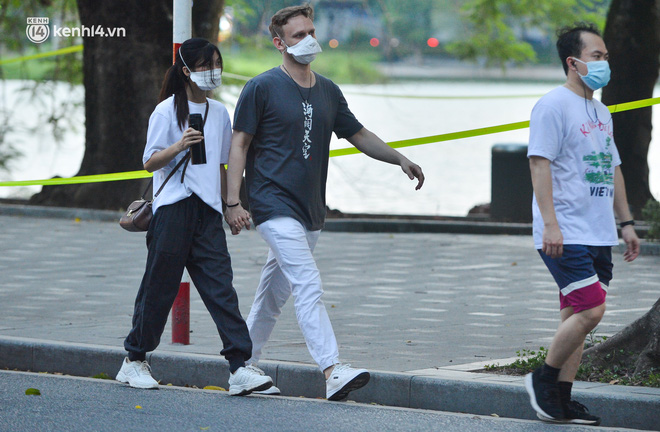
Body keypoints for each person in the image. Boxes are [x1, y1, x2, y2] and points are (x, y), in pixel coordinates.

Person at [224, 4, 425, 401]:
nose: (309, 40)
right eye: (298, 35)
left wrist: (399, 158)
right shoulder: (261, 87)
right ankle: (332, 370)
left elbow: (359, 134)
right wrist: (233, 202)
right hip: (271, 203)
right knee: (307, 282)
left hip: (311, 210)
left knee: (272, 295)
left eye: (311, 32)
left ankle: (241, 366)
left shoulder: (329, 90)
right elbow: (239, 144)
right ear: (279, 43)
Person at [116, 38, 273, 396]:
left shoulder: (219, 113)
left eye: (216, 64)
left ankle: (239, 367)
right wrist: (178, 145)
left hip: (207, 212)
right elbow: (149, 162)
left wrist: (231, 205)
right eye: (204, 65)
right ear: (186, 71)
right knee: (159, 288)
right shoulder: (166, 111)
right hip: (173, 209)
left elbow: (222, 165)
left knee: (221, 288)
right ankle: (134, 359)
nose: (212, 71)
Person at [524, 23, 640, 425]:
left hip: (599, 232)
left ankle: (560, 399)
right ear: (573, 63)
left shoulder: (601, 111)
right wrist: (550, 225)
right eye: (597, 56)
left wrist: (626, 223)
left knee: (576, 320)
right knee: (592, 309)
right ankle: (542, 379)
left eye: (606, 56)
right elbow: (539, 164)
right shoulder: (552, 105)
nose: (604, 63)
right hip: (565, 230)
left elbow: (613, 168)